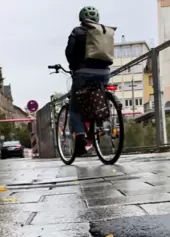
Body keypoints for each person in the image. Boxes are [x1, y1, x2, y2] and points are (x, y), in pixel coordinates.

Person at [65, 6, 111, 155]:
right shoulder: (104, 31)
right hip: (104, 73)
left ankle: (80, 139)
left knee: (75, 108)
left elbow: (69, 51)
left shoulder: (77, 31)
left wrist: (73, 66)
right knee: (97, 97)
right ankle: (99, 125)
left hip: (83, 73)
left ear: (81, 19)